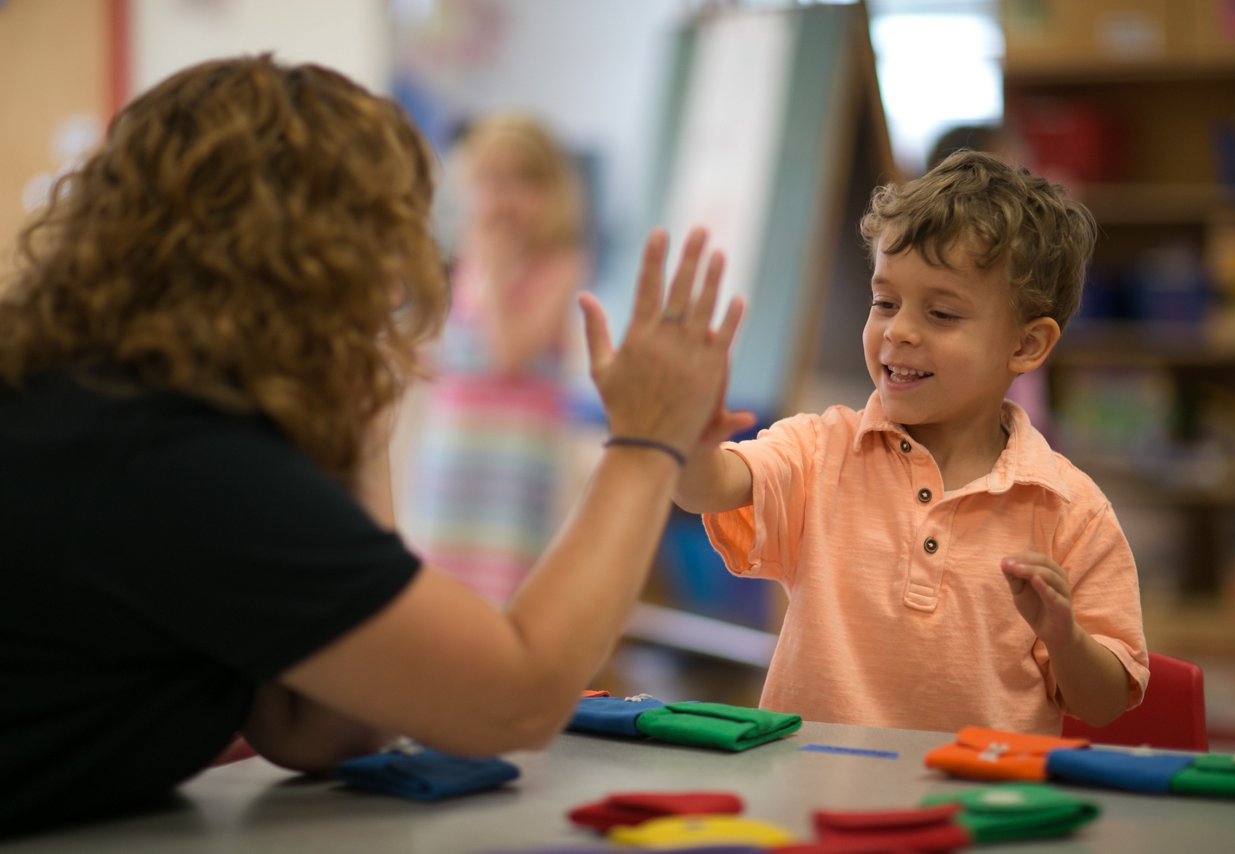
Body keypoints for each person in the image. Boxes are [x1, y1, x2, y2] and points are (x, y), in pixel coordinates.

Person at [0, 55, 744, 836]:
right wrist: (645, 440)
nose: (396, 276)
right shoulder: (175, 454)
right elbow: (510, 700)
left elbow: (322, 729)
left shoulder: (110, 400)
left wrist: (352, 425)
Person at [674, 150, 1149, 736]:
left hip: (980, 813)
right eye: (885, 302)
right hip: (811, 805)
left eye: (942, 313)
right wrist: (682, 438)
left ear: (1026, 346)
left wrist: (1064, 636)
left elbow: (1102, 705)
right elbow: (704, 488)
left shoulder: (1070, 511)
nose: (898, 330)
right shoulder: (820, 449)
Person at [396, 113, 590, 604]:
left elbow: (507, 355)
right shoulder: (466, 263)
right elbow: (446, 356)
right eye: (490, 180)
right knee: (442, 584)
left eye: (524, 180)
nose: (505, 197)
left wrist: (498, 271)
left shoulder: (558, 265)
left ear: (553, 192)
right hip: (456, 454)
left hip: (513, 465)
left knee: (503, 587)